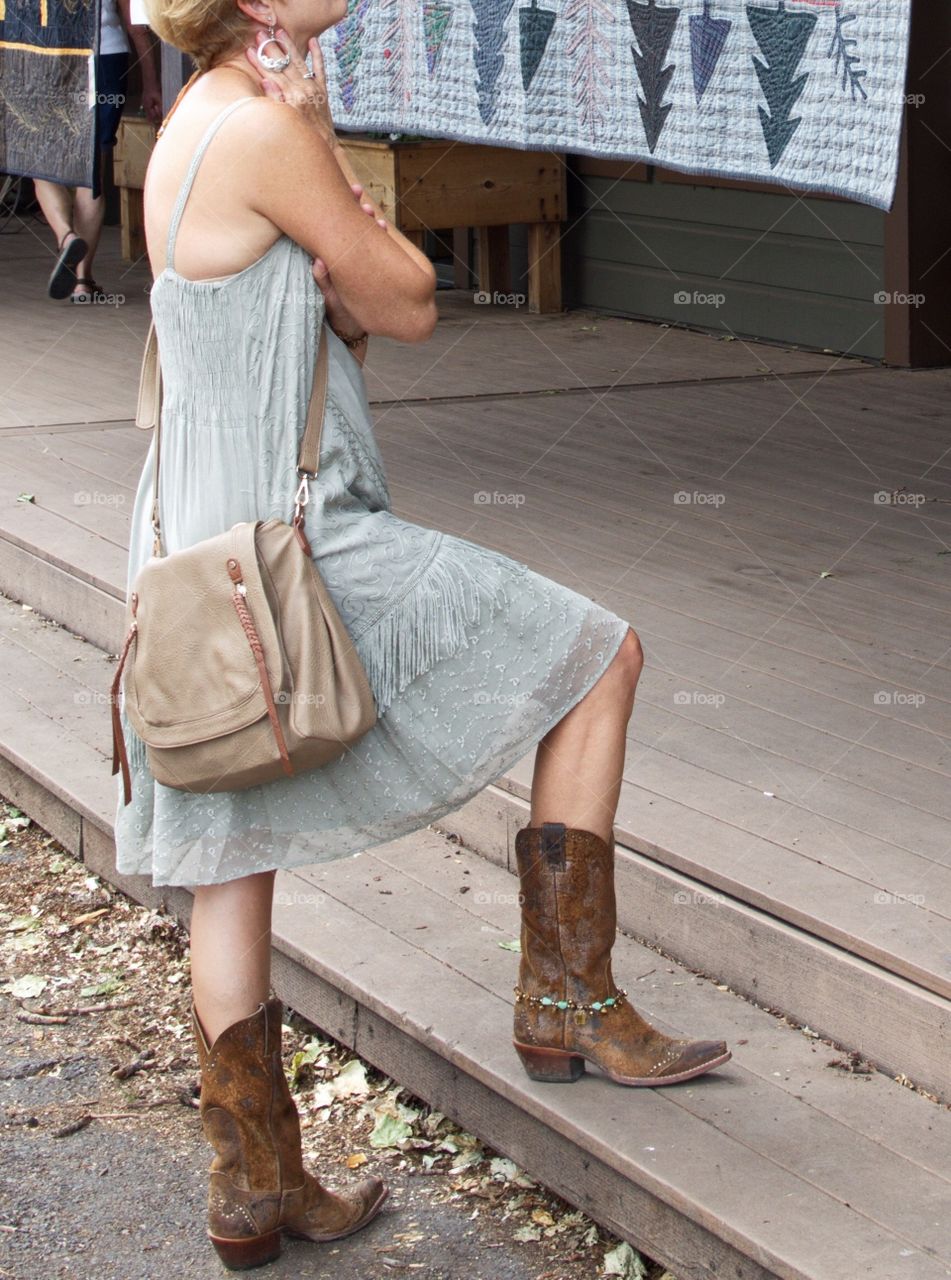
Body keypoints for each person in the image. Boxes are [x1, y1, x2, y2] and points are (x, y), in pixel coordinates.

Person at [115, 0, 732, 1266]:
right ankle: (567, 996)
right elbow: (405, 300)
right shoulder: (268, 128)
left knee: (228, 851)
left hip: (192, 552)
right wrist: (336, 164)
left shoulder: (195, 117)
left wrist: (326, 159)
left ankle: (253, 1187)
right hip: (300, 552)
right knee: (599, 654)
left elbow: (313, 302)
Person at [38, 0, 162, 302]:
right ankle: (82, 282)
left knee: (39, 161)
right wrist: (150, 81)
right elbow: (134, 21)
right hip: (106, 55)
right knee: (91, 170)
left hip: (44, 56)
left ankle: (67, 237)